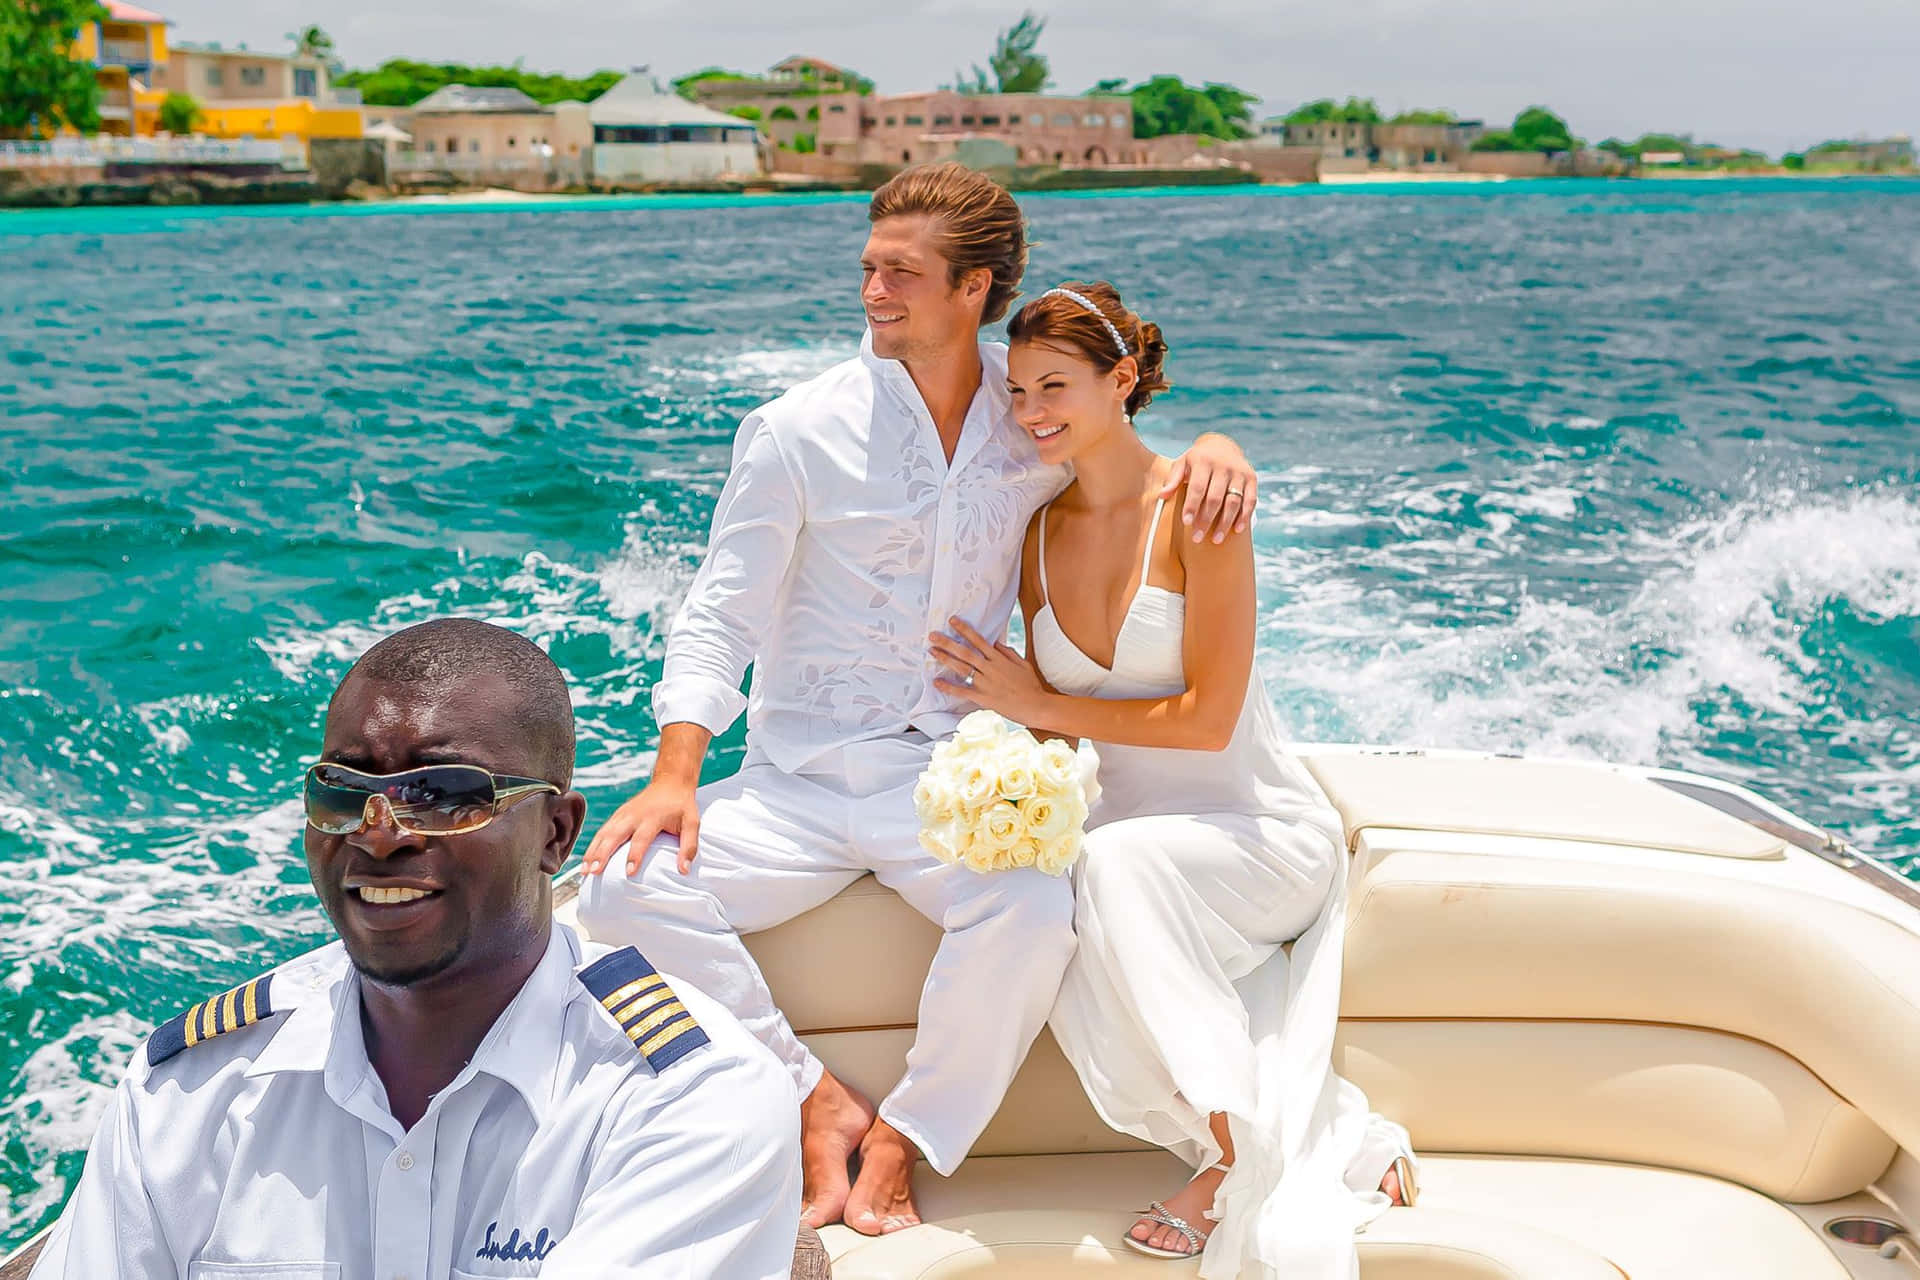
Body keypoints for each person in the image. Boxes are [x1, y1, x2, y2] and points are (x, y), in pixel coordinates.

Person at [575, 163, 1262, 1236]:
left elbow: (1137, 462)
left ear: (975, 287)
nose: (873, 291)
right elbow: (721, 611)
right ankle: (809, 1093)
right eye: (867, 268)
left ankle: (909, 1135)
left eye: (901, 272)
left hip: (943, 776)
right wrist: (676, 770)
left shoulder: (1029, 418)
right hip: (795, 780)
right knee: (618, 894)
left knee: (1033, 907)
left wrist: (1219, 449)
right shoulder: (795, 430)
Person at [31, 618, 803, 1280]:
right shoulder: (193, 1090)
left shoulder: (690, 1100)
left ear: (555, 835)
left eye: (442, 796)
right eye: (341, 793)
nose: (378, 833)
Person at [927, 283, 1415, 1278]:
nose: (1031, 412)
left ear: (1124, 378)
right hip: (1136, 844)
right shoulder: (1035, 535)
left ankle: (1236, 1160)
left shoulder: (1202, 507)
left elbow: (1207, 720)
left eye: (1054, 385)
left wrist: (1048, 704)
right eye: (1017, 391)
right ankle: (1327, 1136)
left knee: (1111, 866)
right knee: (1063, 879)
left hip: (1256, 832)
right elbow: (1032, 703)